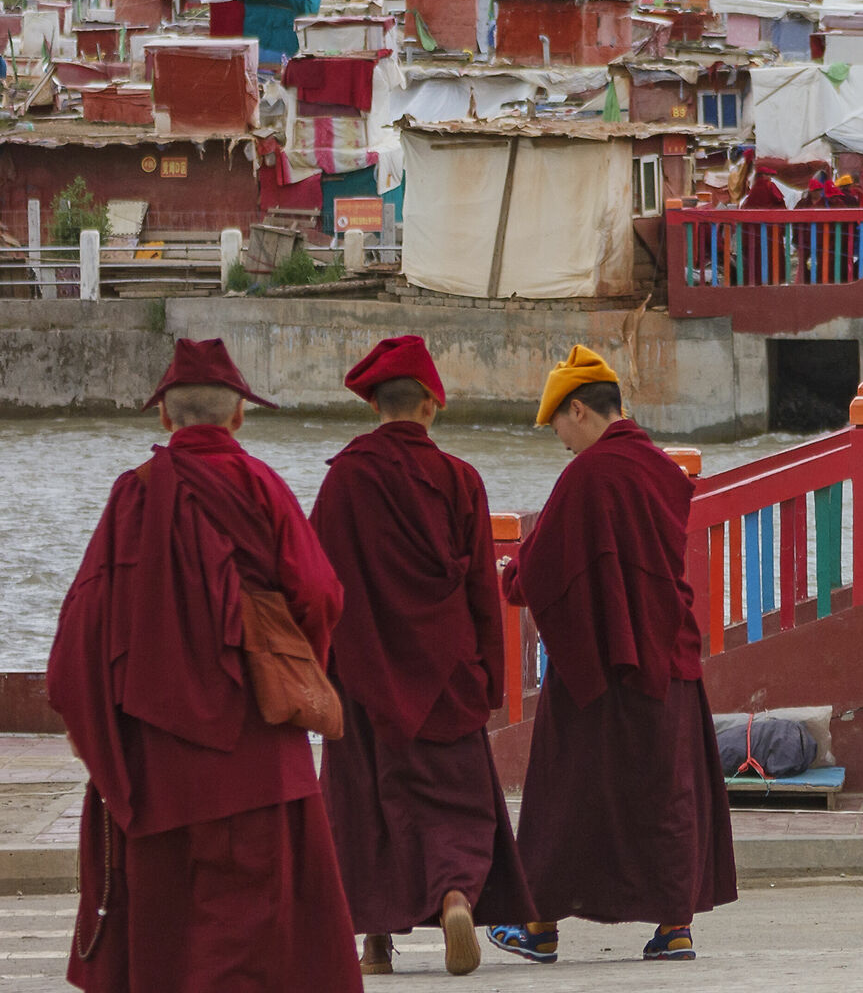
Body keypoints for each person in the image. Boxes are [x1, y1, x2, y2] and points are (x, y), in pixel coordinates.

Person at [48, 339, 361, 993]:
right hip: (258, 764)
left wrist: (106, 746)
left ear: (164, 417)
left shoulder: (131, 497)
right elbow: (320, 595)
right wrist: (286, 674)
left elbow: (79, 639)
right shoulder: (263, 487)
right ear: (239, 416)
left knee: (170, 947)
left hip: (156, 774)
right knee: (254, 951)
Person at [490, 348, 736, 966]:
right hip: (666, 654)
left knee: (566, 792)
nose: (560, 441)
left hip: (598, 666)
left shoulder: (591, 473)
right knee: (664, 792)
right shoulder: (657, 466)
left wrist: (507, 574)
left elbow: (545, 567)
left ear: (578, 409)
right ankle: (674, 929)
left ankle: (539, 928)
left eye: (558, 426)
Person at [314, 336, 532, 977]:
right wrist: (487, 673)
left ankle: (376, 943)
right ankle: (456, 896)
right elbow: (481, 595)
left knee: (366, 806)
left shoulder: (344, 479)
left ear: (374, 405)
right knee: (452, 805)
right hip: (445, 674)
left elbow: (316, 582)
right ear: (432, 405)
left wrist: (323, 669)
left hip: (362, 677)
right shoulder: (459, 479)